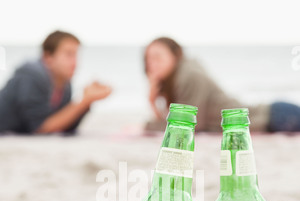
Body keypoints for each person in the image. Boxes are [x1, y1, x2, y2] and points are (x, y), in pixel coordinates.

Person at [144, 37, 300, 133]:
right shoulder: (184, 74)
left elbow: (189, 126)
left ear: (175, 54)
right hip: (275, 116)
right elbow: (176, 122)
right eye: (148, 59)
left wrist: (147, 126)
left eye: (158, 57)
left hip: (275, 117)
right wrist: (152, 102)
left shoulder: (189, 75)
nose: (152, 64)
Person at [0, 31, 112, 135]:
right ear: (48, 57)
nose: (75, 62)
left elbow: (64, 126)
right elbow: (40, 128)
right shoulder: (32, 75)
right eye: (69, 54)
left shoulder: (64, 84)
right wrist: (84, 101)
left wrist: (87, 102)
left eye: (76, 55)